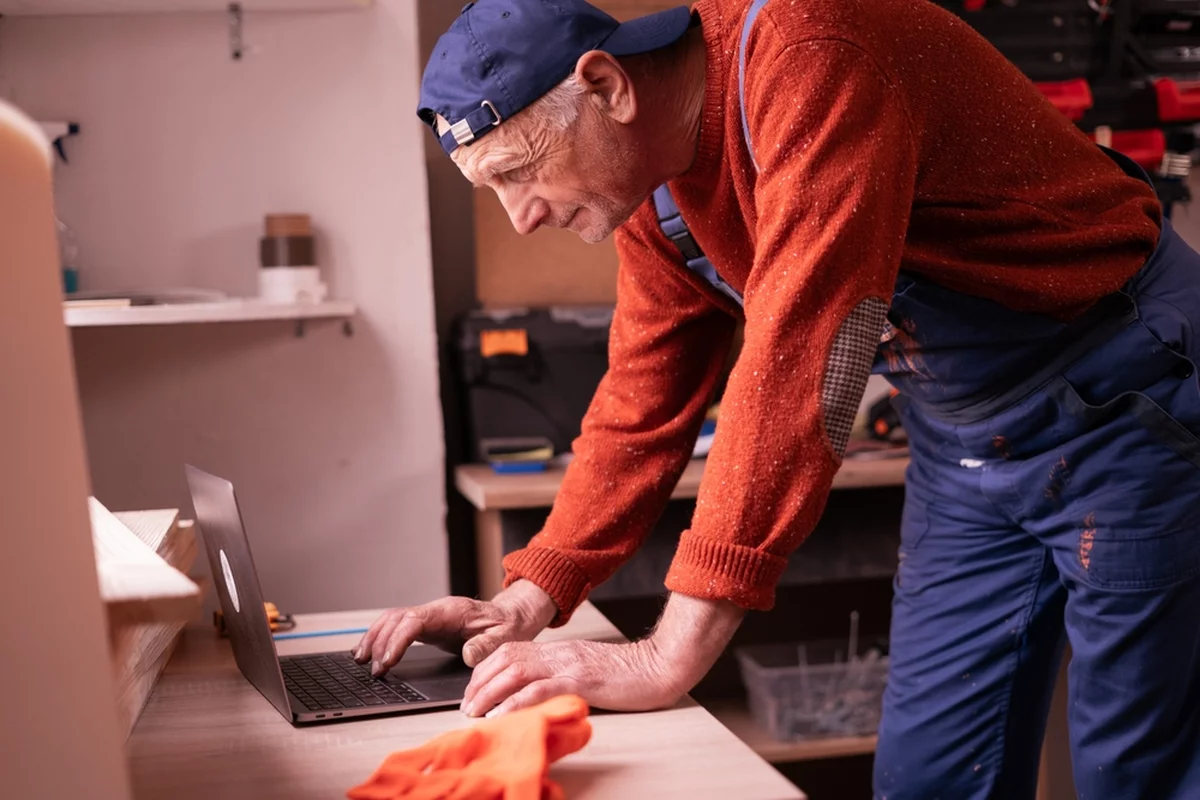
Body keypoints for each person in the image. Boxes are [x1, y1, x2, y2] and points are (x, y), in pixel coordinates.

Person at [355, 0, 1200, 795]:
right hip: (963, 438)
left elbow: (808, 355)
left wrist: (667, 658)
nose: (520, 218)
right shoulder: (656, 192)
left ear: (606, 87)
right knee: (927, 778)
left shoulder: (809, 57)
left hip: (1124, 402)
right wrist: (525, 597)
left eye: (519, 171)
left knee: (1136, 771)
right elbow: (640, 404)